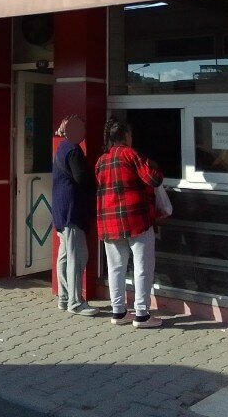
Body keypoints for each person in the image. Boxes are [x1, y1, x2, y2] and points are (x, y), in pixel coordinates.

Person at [95, 118, 164, 328]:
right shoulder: (130, 154)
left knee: (116, 268)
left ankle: (118, 312)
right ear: (126, 136)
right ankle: (142, 315)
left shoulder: (101, 161)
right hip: (136, 219)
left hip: (109, 222)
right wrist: (154, 166)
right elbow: (153, 180)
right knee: (142, 266)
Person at [51, 115, 99, 316]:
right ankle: (75, 302)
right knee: (78, 256)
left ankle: (64, 298)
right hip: (72, 211)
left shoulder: (61, 148)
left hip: (62, 210)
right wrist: (96, 185)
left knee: (64, 256)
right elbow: (82, 178)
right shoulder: (72, 150)